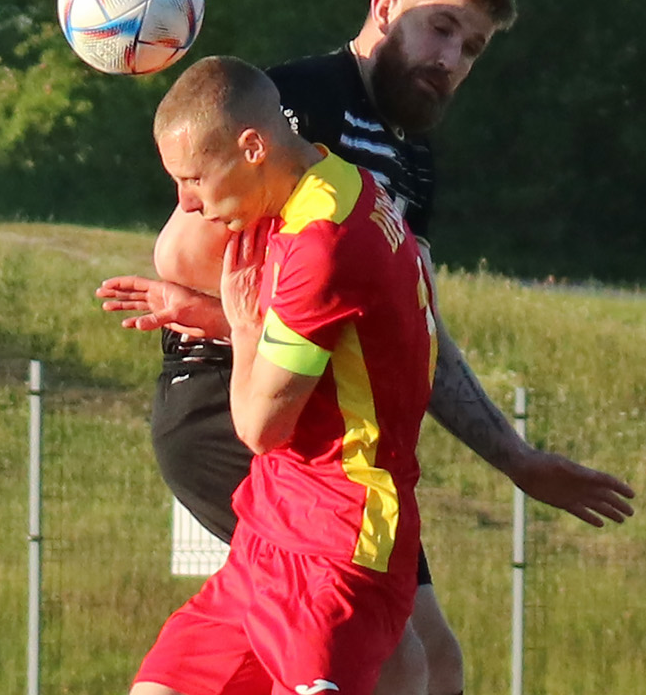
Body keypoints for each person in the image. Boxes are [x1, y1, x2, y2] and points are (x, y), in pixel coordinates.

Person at [98, 0, 636, 695]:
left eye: (472, 48)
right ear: (385, 10)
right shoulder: (302, 103)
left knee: (429, 659)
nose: (451, 60)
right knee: (392, 659)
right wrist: (246, 325)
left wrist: (515, 458)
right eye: (440, 29)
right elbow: (186, 254)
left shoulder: (408, 159)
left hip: (328, 423)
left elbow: (411, 325)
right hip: (234, 401)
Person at [132, 55, 438, 695]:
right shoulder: (341, 181)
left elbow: (259, 427)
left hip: (337, 548)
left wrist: (244, 328)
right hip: (268, 532)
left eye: (194, 179)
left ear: (253, 147)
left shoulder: (321, 244)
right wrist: (210, 313)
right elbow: (337, 343)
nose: (187, 202)